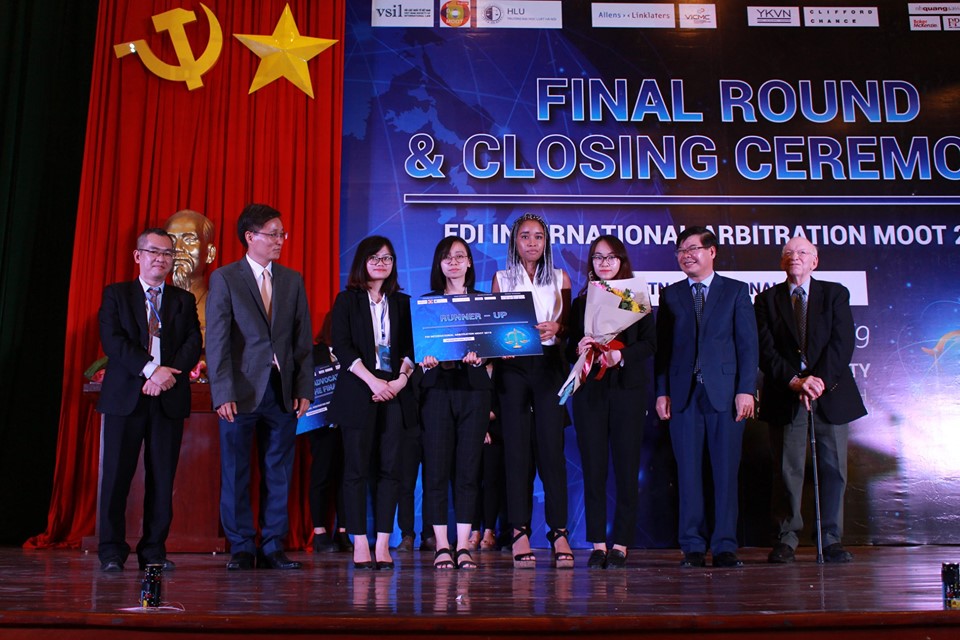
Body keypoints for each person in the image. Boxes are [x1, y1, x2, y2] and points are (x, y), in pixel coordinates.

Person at [206, 204, 313, 571]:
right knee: (236, 469)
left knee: (278, 470)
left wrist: (304, 387)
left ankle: (272, 545)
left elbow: (302, 340)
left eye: (282, 234)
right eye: (273, 234)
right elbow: (217, 340)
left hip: (282, 390)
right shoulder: (225, 278)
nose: (280, 240)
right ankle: (241, 546)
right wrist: (222, 392)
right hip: (240, 391)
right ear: (250, 237)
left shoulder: (292, 280)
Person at [755, 237, 867, 564]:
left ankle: (831, 539)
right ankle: (786, 538)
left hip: (829, 393)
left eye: (802, 252)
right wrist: (795, 381)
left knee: (833, 469)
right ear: (781, 262)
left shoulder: (835, 294)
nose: (795, 257)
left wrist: (817, 382)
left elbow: (842, 343)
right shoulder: (766, 299)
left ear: (814, 261)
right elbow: (765, 349)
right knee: (787, 469)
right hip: (786, 393)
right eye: (788, 253)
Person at [96, 228, 202, 572]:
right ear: (138, 256)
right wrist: (150, 370)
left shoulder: (183, 300)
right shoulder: (117, 294)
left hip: (168, 397)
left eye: (168, 253)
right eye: (154, 252)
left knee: (162, 477)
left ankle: (153, 550)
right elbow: (113, 340)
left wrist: (166, 375)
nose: (161, 259)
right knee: (116, 476)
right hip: (126, 397)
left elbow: (193, 342)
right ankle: (111, 551)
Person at [654, 226, 758, 569]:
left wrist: (746, 389)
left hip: (725, 395)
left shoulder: (736, 291)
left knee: (725, 473)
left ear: (711, 251)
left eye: (693, 248)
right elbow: (663, 350)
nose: (686, 255)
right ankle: (693, 546)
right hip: (683, 395)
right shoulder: (671, 295)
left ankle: (725, 545)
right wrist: (662, 391)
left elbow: (748, 345)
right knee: (688, 474)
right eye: (681, 250)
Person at [327, 236, 417, 570]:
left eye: (388, 258)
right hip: (358, 388)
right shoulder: (347, 300)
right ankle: (360, 542)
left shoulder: (402, 303)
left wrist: (399, 381)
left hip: (395, 390)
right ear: (362, 262)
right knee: (355, 469)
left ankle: (382, 543)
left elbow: (412, 348)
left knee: (390, 470)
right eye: (374, 257)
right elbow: (342, 346)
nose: (381, 263)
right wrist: (373, 382)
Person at [567, 235, 656, 570]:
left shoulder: (635, 299)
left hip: (627, 391)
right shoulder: (581, 303)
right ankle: (598, 544)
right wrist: (578, 348)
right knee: (593, 469)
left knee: (626, 468)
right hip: (590, 393)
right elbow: (567, 349)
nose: (604, 263)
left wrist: (621, 356)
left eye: (611, 257)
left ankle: (620, 543)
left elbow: (650, 345)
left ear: (622, 261)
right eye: (598, 257)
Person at [492, 213, 574, 569]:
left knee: (552, 451)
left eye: (538, 236)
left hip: (549, 366)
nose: (531, 242)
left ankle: (559, 531)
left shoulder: (560, 276)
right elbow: (495, 324)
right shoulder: (502, 277)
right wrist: (501, 344)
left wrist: (559, 327)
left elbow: (569, 326)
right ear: (515, 241)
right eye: (524, 236)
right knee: (516, 452)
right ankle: (519, 530)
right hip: (513, 367)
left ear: (546, 242)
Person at [418, 236, 491, 570]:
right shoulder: (427, 303)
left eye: (460, 256)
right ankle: (442, 545)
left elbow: (495, 347)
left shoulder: (483, 302)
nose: (454, 262)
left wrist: (482, 358)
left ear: (470, 262)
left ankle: (463, 545)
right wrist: (425, 359)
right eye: (447, 257)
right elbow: (418, 351)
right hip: (437, 390)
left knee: (468, 470)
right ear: (439, 263)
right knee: (435, 470)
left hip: (474, 391)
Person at [307, 317, 352, 554]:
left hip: (348, 423)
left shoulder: (354, 353)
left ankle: (343, 530)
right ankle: (319, 531)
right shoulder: (314, 353)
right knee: (322, 474)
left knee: (347, 475)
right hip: (320, 426)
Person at [164, 209, 217, 341]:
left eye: (189, 240)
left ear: (210, 253)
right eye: (171, 240)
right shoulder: (151, 303)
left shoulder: (220, 307)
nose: (178, 248)